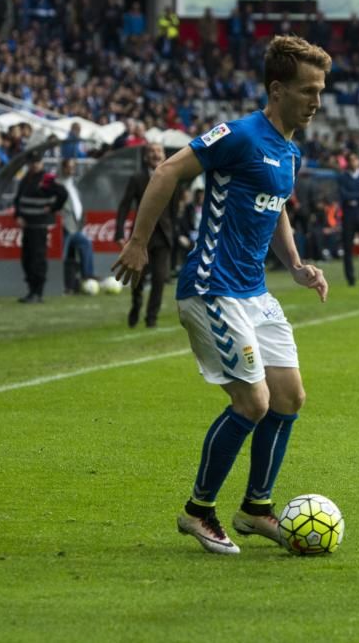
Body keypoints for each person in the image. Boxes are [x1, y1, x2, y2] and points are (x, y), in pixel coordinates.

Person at [111, 35, 331, 555]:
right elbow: (168, 170)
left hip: (254, 292)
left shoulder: (289, 150)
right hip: (212, 289)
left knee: (290, 397)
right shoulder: (238, 134)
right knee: (252, 402)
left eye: (321, 90)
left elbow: (274, 206)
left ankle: (256, 509)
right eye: (307, 90)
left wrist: (296, 265)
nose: (317, 101)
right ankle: (198, 510)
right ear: (277, 90)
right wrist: (139, 242)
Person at [116, 143, 179, 328]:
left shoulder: (173, 178)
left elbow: (174, 210)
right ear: (145, 156)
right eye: (151, 151)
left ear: (164, 155)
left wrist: (173, 231)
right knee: (138, 277)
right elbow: (124, 206)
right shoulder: (137, 178)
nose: (155, 154)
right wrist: (120, 232)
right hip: (142, 236)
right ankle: (136, 306)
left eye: (158, 151)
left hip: (163, 237)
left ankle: (152, 318)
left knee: (160, 278)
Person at [15, 153, 68, 303]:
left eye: (37, 162)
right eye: (32, 163)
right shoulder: (26, 178)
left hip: (39, 224)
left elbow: (63, 194)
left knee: (37, 259)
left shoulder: (46, 179)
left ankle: (38, 292)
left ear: (41, 163)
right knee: (27, 259)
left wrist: (53, 208)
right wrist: (18, 215)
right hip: (27, 224)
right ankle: (31, 290)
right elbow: (18, 198)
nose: (34, 165)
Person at [58, 158, 95, 293]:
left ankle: (87, 276)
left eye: (73, 167)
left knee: (86, 244)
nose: (71, 170)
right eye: (69, 167)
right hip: (65, 226)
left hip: (75, 226)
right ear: (62, 168)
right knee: (62, 255)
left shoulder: (73, 185)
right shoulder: (58, 184)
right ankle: (61, 283)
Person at [337, 152, 359, 287]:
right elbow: (343, 195)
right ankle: (350, 278)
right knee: (348, 248)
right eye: (350, 160)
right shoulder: (342, 177)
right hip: (348, 217)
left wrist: (354, 197)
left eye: (355, 159)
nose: (352, 162)